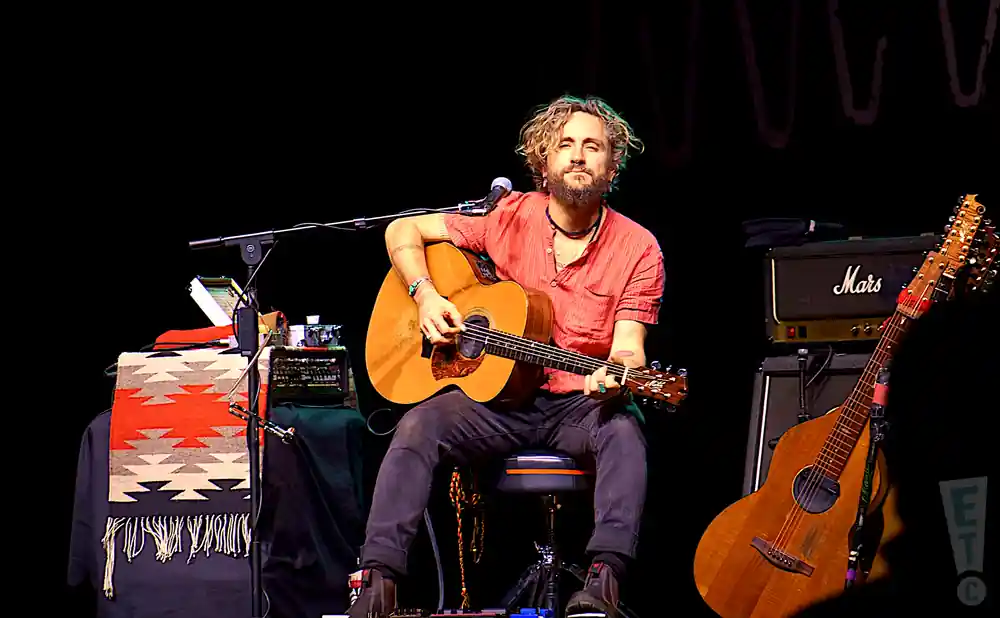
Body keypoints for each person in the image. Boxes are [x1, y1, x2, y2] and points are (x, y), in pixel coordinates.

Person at [348, 94, 665, 618]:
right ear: (544, 162)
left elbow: (629, 348)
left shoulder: (639, 248)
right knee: (418, 427)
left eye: (594, 146)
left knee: (624, 428)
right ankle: (378, 581)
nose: (579, 155)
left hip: (576, 406)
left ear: (613, 166)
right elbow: (401, 230)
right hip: (495, 404)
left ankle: (603, 582)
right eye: (566, 145)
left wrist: (619, 376)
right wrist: (426, 293)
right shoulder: (508, 216)